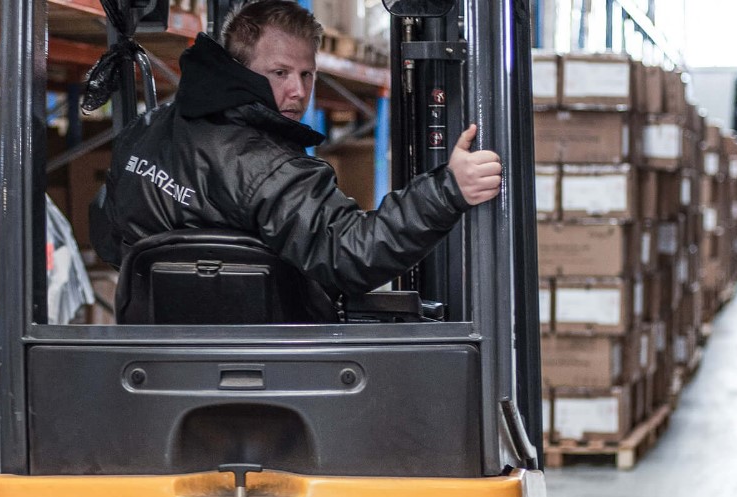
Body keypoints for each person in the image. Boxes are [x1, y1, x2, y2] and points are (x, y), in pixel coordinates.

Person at [90, 0, 502, 300]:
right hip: (262, 353)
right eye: (280, 72)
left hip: (156, 338)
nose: (298, 90)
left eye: (307, 74)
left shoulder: (148, 128)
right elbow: (350, 254)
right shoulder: (269, 168)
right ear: (239, 68)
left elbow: (107, 231)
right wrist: (447, 191)